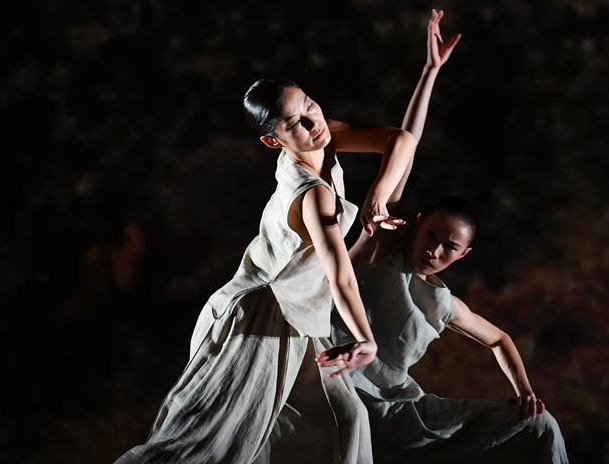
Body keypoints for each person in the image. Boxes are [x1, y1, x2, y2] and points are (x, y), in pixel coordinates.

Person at [112, 51, 419, 464]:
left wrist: (376, 198)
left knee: (346, 420)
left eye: (309, 105)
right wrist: (365, 338)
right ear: (273, 141)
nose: (311, 122)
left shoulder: (323, 135)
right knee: (205, 445)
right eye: (294, 124)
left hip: (300, 315)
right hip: (260, 319)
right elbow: (340, 275)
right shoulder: (312, 192)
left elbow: (401, 140)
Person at [328, 10, 570, 464]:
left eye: (449, 247)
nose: (434, 249)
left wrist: (525, 391)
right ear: (418, 222)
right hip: (341, 387)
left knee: (541, 427)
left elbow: (500, 339)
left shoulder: (443, 304)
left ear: (463, 254)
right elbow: (406, 145)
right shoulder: (384, 243)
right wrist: (430, 72)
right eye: (431, 233)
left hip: (401, 410)